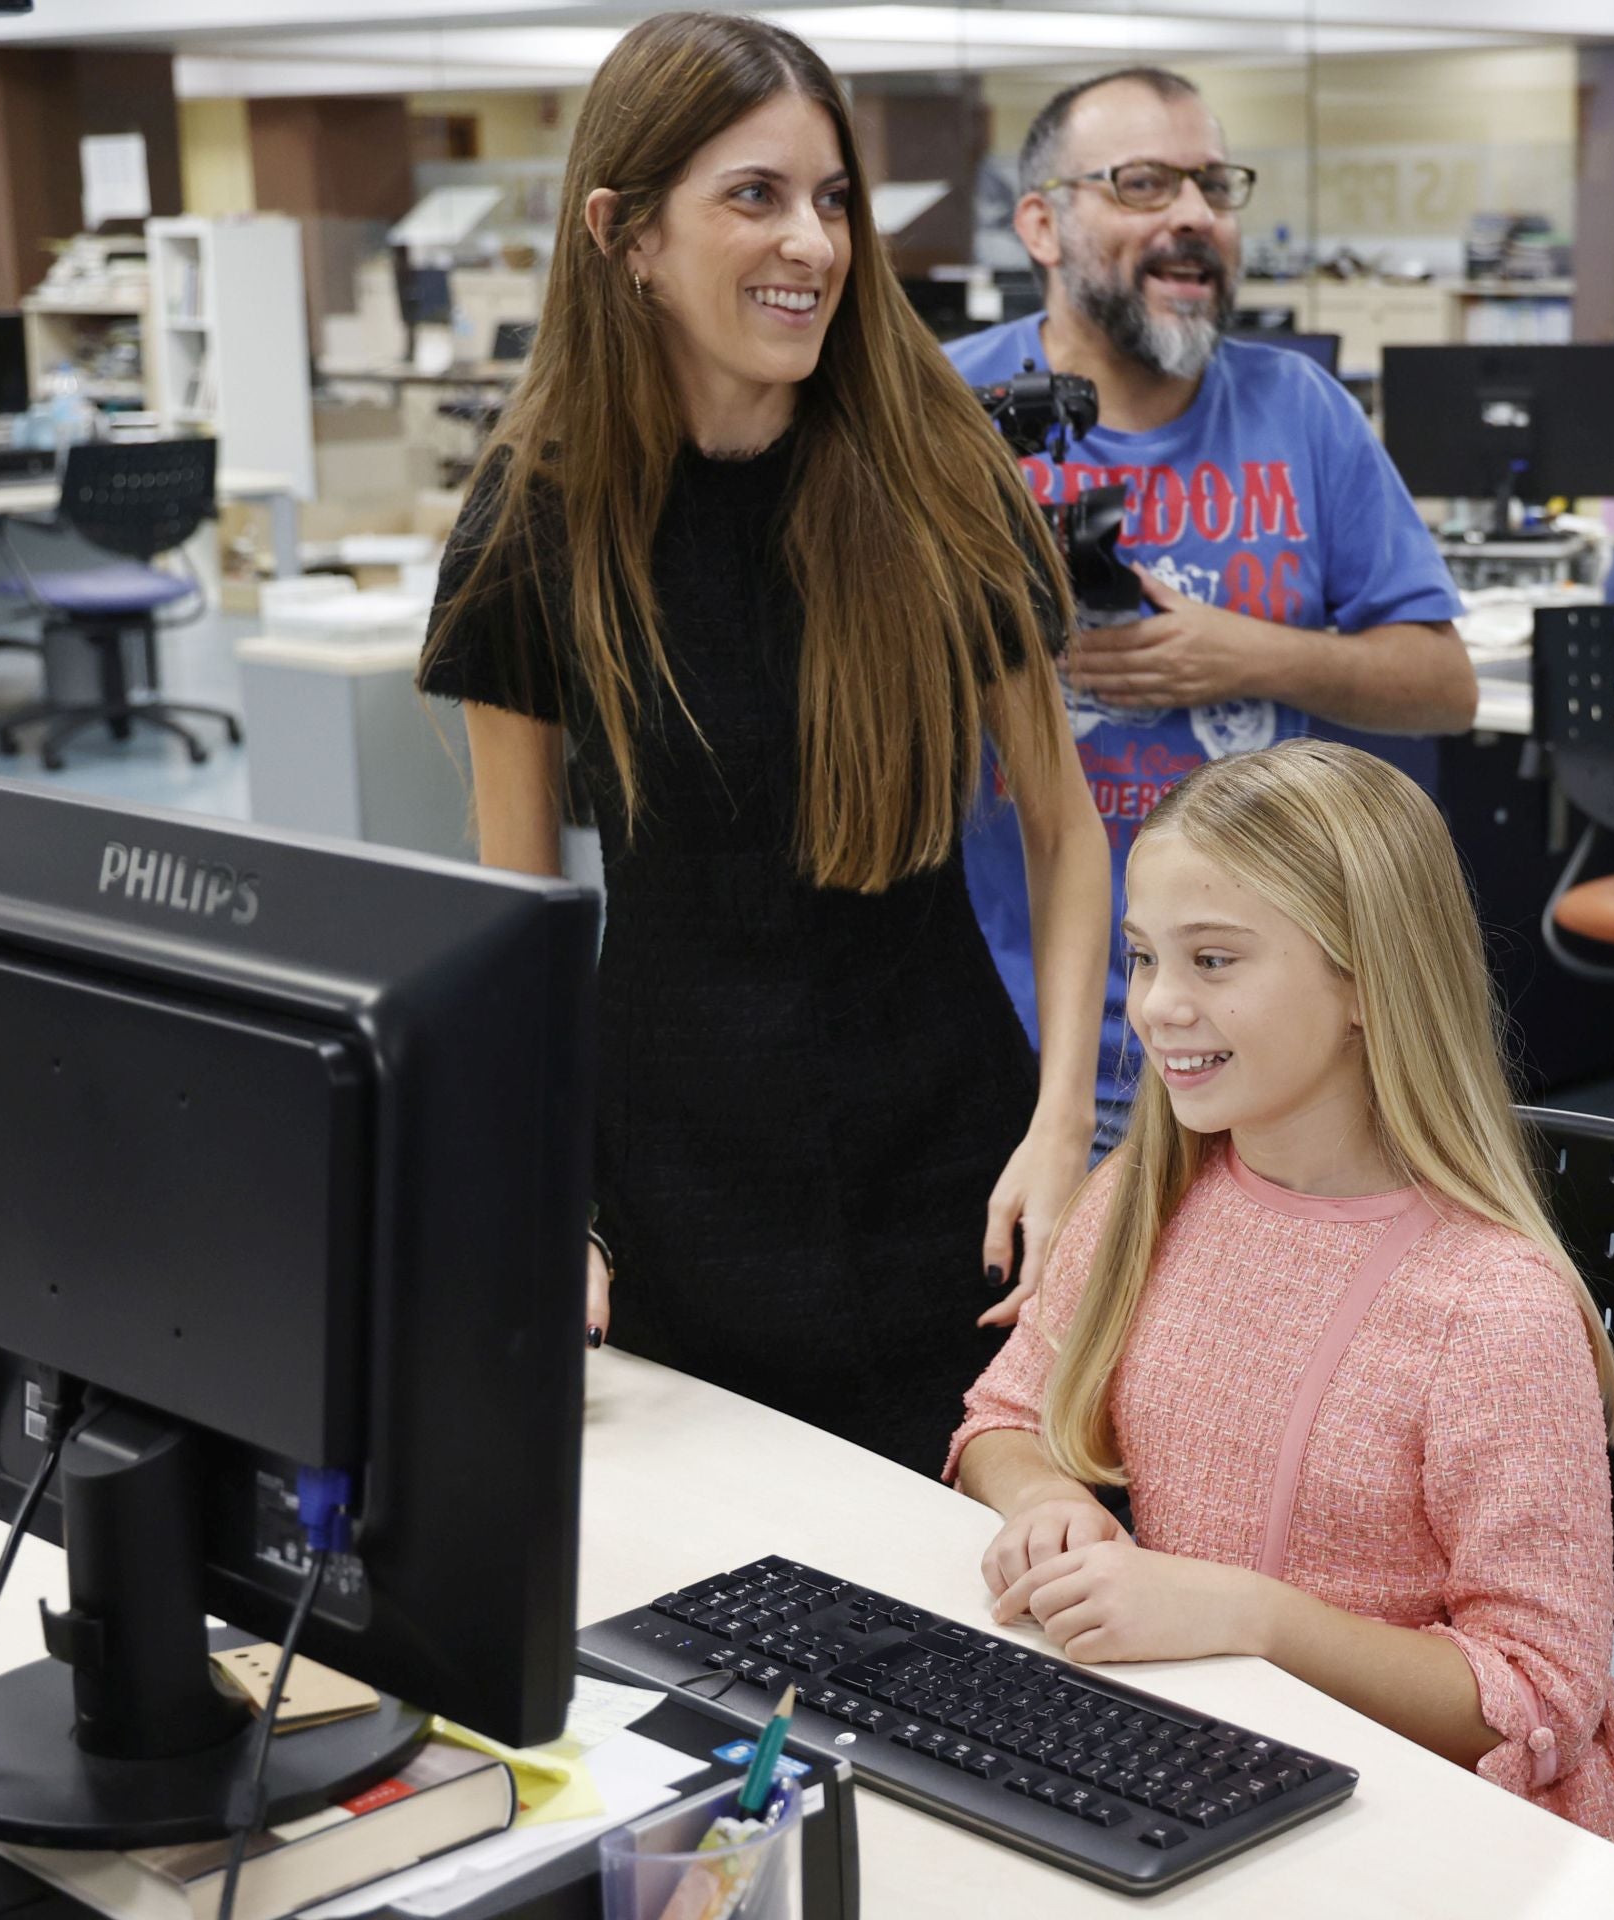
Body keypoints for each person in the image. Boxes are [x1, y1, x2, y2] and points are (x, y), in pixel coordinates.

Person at [417, 11, 1111, 1476]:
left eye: (832, 199)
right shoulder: (533, 525)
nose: (812, 241)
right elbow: (517, 918)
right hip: (668, 1197)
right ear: (626, 236)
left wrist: (1063, 1130)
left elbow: (1063, 828)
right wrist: (545, 1200)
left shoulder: (932, 477)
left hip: (951, 1175)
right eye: (754, 196)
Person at [946, 739, 1614, 1848]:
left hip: (1443, 1834)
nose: (1159, 1004)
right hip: (1208, 1765)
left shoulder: (1493, 1310)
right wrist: (1043, 1503)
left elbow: (1540, 1697)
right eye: (1146, 957)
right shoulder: (1143, 1196)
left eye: (1214, 961)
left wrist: (1252, 1619)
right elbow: (1003, 1419)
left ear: (1367, 979)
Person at [947, 67, 1479, 1159]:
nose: (1192, 215)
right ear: (1042, 223)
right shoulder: (945, 415)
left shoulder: (1303, 411)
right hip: (1012, 1043)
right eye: (1143, 184)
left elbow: (1442, 684)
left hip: (1280, 1062)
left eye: (1212, 187)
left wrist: (1242, 655)